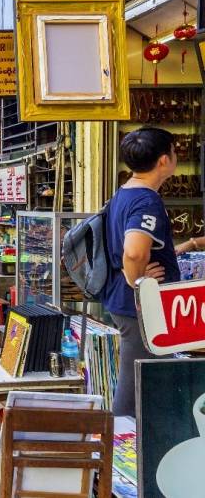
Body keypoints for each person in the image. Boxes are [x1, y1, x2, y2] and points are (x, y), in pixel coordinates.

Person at [104, 127, 205, 417]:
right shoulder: (146, 200)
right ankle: (123, 451)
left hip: (129, 304)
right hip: (140, 308)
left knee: (145, 381)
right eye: (174, 151)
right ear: (164, 160)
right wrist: (136, 281)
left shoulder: (124, 193)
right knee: (136, 386)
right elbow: (134, 251)